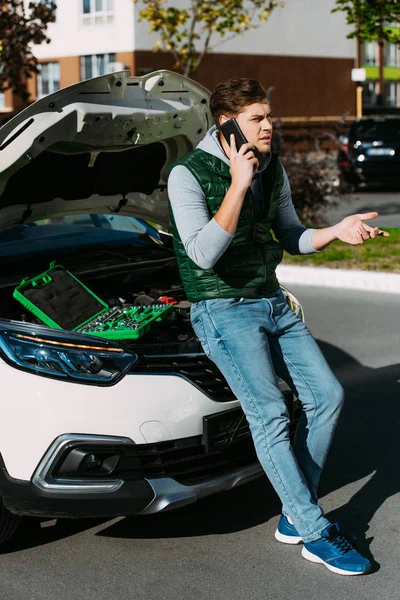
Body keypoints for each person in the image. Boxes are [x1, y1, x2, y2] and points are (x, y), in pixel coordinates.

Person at [167, 77, 389, 576]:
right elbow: (202, 253)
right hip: (221, 308)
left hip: (269, 299)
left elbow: (290, 235)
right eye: (257, 119)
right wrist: (238, 183)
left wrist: (335, 231)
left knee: (327, 395)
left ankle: (295, 512)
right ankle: (314, 530)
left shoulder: (272, 166)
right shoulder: (187, 174)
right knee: (269, 415)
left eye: (269, 116)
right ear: (227, 125)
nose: (270, 126)